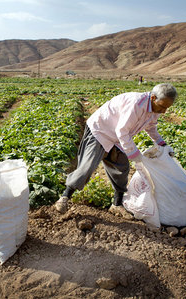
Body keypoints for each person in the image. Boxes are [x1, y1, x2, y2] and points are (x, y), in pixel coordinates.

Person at [54, 83, 177, 219]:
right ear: (153, 97)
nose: (164, 111)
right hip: (101, 130)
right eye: (162, 106)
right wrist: (135, 154)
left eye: (167, 108)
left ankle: (116, 205)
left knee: (121, 168)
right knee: (87, 166)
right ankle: (65, 197)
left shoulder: (154, 110)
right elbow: (122, 131)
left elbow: (151, 127)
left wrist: (161, 143)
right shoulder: (136, 104)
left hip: (117, 138)